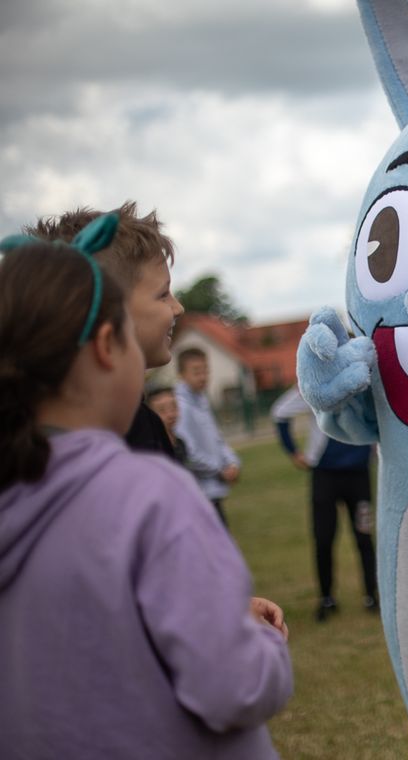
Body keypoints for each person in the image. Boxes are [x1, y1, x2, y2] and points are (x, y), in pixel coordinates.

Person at [0, 230, 292, 759]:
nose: (176, 307)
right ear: (109, 345)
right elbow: (237, 687)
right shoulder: (149, 496)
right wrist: (264, 646)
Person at [26, 202, 184, 458]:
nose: (178, 308)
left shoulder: (30, 431)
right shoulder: (132, 433)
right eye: (163, 294)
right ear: (106, 315)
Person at [271, 385, 379, 621]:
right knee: (324, 538)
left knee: (364, 537)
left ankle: (371, 596)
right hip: (325, 476)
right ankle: (327, 599)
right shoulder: (314, 384)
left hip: (358, 475)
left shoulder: (363, 382)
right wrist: (293, 452)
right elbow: (279, 412)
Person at [175, 347, 240, 527]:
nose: (203, 376)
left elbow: (217, 439)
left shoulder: (201, 399)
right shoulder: (181, 406)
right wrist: (220, 470)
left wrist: (233, 463)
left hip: (214, 491)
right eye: (196, 372)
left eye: (205, 370)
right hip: (198, 494)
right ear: (181, 374)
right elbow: (188, 452)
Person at [146, 385, 187, 463]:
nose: (170, 414)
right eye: (162, 410)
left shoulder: (180, 443)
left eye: (173, 407)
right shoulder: (151, 450)